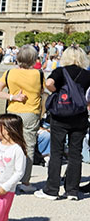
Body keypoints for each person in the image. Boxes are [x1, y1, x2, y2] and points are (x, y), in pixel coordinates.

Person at [34, 46, 90, 200]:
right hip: (79, 116)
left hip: (61, 115)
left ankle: (51, 189)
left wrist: (57, 91)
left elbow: (48, 83)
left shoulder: (60, 71)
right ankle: (72, 190)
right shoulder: (87, 74)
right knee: (75, 153)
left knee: (56, 152)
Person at [0, 43, 43, 192]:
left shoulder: (10, 73)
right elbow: (42, 91)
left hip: (12, 112)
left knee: (9, 144)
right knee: (29, 147)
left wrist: (12, 96)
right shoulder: (38, 74)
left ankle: (6, 178)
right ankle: (25, 182)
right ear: (34, 59)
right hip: (31, 112)